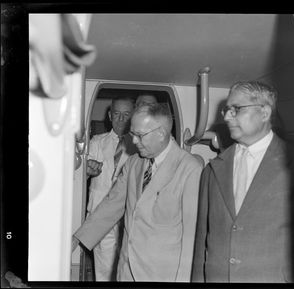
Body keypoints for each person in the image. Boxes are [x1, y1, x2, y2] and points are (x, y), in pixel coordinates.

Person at [191, 80, 294, 283]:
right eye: (226, 110)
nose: (227, 116)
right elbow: (201, 243)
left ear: (264, 113)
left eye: (236, 109)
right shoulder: (213, 169)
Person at [73, 103, 203, 282]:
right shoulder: (134, 163)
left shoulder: (189, 168)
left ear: (161, 133)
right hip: (126, 270)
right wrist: (77, 240)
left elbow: (192, 235)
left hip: (163, 275)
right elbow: (112, 204)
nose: (133, 141)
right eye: (133, 134)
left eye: (139, 135)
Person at [85, 96, 137, 281]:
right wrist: (88, 170)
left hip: (130, 216)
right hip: (101, 215)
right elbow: (80, 174)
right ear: (109, 115)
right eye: (116, 114)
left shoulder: (142, 145)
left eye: (127, 114)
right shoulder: (97, 142)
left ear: (134, 116)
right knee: (104, 271)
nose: (121, 119)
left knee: (130, 269)